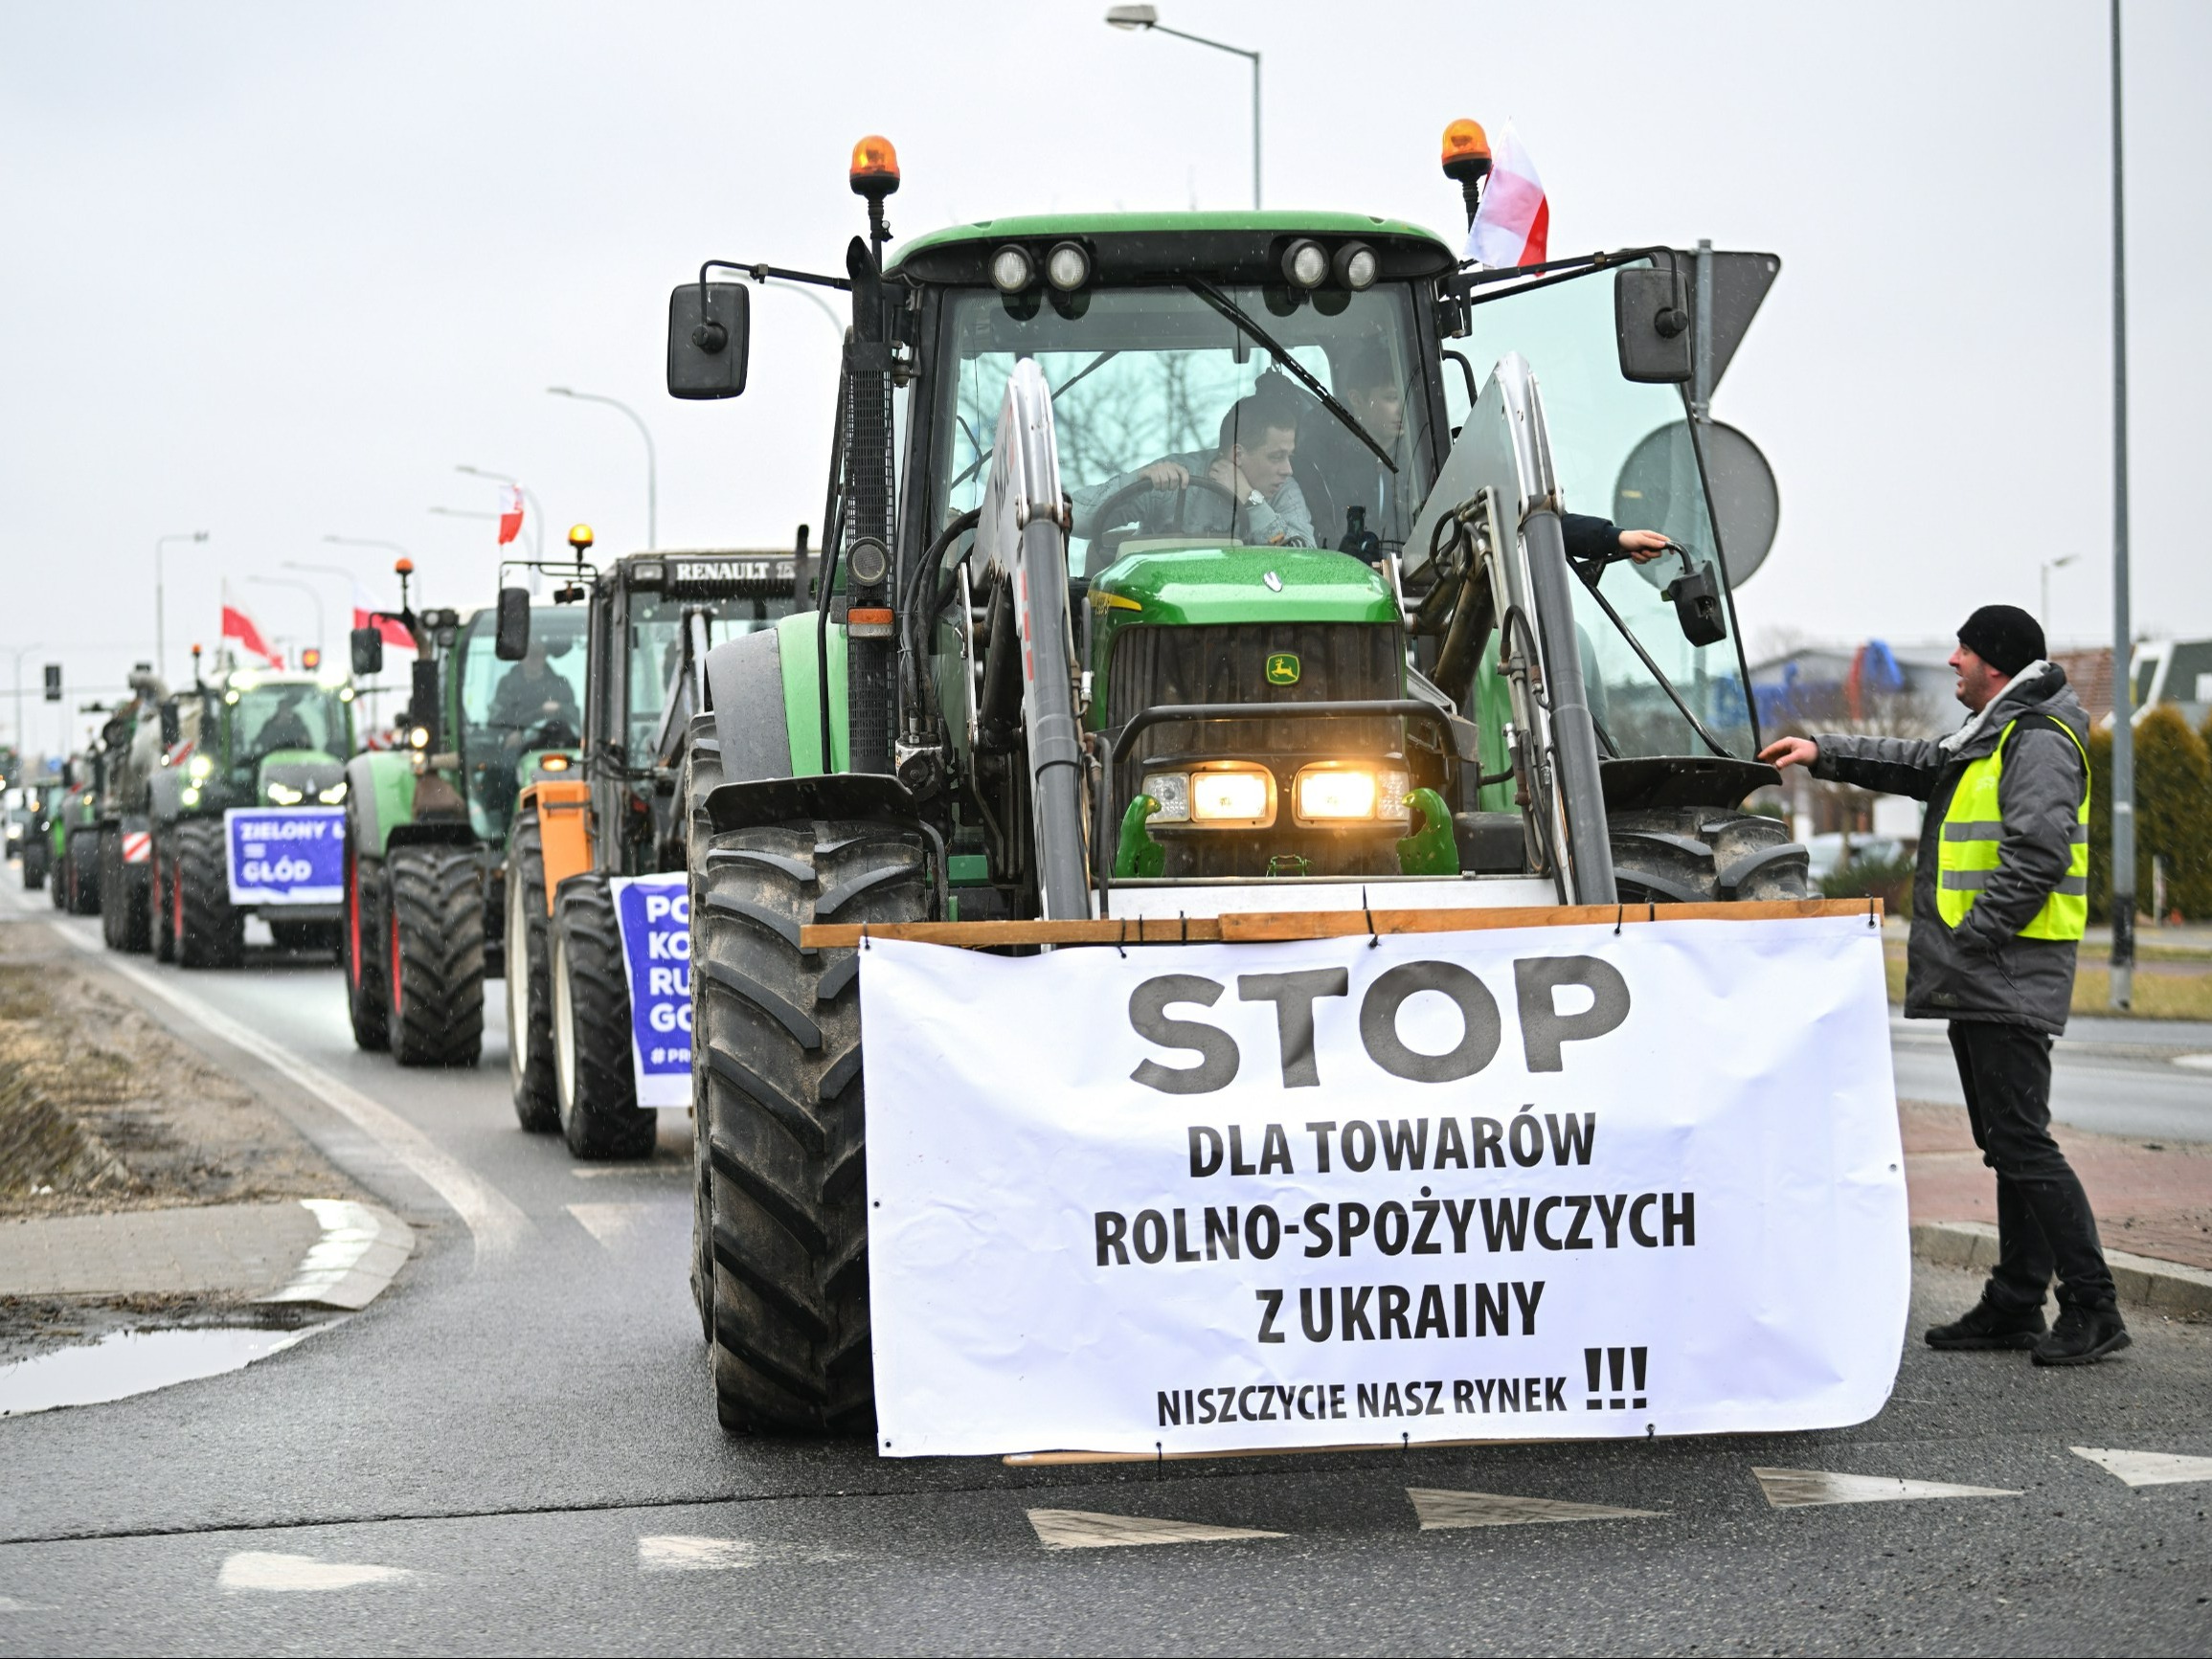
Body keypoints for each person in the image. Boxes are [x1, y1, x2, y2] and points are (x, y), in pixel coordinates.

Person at [1761, 605, 2126, 1365]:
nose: (1953, 660)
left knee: (2022, 1141)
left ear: (1995, 661)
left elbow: (2038, 854)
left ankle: (2094, 1305)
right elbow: (1918, 765)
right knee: (2004, 1142)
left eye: (1964, 649)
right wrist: (1822, 751)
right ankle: (2016, 1301)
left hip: (2005, 969)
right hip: (1988, 971)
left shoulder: (2038, 739)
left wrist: (1975, 937)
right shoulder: (1993, 732)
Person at [1071, 391, 1315, 571]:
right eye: (1276, 457)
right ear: (1238, 454)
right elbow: (1074, 518)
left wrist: (1251, 500)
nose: (1288, 470)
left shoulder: (1283, 490)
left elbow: (1306, 566)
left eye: (1289, 456)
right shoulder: (1174, 480)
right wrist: (1137, 479)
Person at [489, 637, 581, 745]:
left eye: (538, 653)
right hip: (517, 749)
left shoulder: (561, 685)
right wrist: (510, 734)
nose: (533, 658)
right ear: (521, 656)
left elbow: (575, 717)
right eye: (530, 654)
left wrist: (560, 707)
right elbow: (497, 720)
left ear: (545, 656)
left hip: (556, 745)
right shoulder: (507, 684)